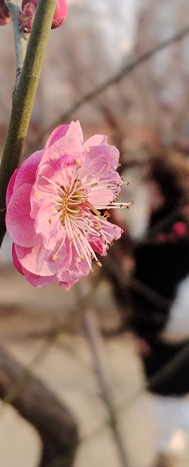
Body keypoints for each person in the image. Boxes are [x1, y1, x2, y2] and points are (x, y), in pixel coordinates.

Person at [130, 153, 189, 467]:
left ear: (158, 189)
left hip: (163, 330)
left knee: (170, 408)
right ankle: (168, 454)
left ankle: (167, 456)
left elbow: (147, 287)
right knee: (172, 405)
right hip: (178, 334)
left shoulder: (160, 238)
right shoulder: (179, 227)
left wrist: (142, 329)